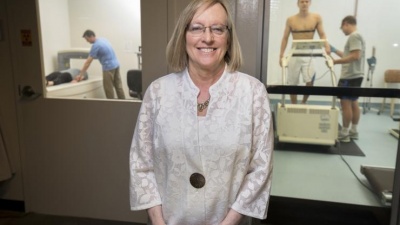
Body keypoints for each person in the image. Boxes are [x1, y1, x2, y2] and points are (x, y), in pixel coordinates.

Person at [129, 0, 274, 224]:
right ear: (183, 35)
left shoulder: (253, 93)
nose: (207, 38)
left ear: (228, 37)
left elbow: (260, 169)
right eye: (197, 28)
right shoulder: (158, 92)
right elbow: (141, 164)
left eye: (217, 28)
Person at [279, 0, 330, 104]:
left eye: (307, 1)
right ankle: (294, 105)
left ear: (310, 3)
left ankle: (303, 102)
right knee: (292, 82)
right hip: (295, 52)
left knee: (310, 81)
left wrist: (327, 46)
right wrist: (281, 55)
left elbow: (322, 34)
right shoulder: (291, 20)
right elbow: (285, 38)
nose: (304, 4)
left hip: (309, 52)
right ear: (298, 3)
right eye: (302, 1)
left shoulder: (316, 18)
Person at [331, 15, 365, 143]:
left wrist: (335, 62)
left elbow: (355, 56)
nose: (342, 31)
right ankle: (353, 131)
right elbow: (348, 55)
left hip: (349, 76)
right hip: (357, 75)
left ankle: (344, 133)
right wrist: (333, 50)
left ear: (346, 24)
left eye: (342, 28)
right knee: (353, 103)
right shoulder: (358, 36)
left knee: (345, 104)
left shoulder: (354, 36)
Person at [77, 30, 125, 99]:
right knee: (118, 86)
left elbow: (88, 63)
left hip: (108, 68)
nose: (87, 41)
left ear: (91, 36)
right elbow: (103, 54)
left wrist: (80, 75)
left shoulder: (96, 46)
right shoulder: (103, 40)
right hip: (116, 65)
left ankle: (111, 107)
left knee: (108, 89)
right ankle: (124, 104)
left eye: (87, 39)